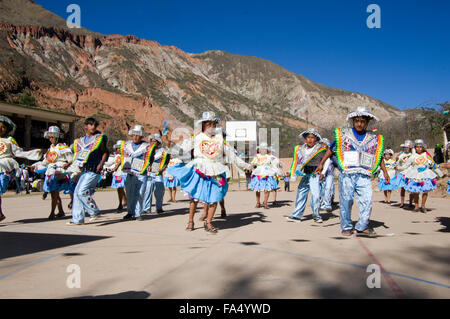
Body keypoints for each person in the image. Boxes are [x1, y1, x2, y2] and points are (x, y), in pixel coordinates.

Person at [167, 111, 251, 233]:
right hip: (199, 169)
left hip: (216, 169)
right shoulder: (197, 138)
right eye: (208, 124)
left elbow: (232, 156)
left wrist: (246, 165)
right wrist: (172, 149)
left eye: (213, 124)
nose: (211, 126)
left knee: (215, 197)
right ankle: (190, 221)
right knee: (195, 198)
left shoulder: (220, 139)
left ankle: (209, 222)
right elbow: (183, 149)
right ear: (203, 125)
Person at [316, 106, 390, 237]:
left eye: (362, 121)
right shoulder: (344, 134)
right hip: (347, 174)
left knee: (367, 200)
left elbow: (378, 156)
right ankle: (346, 226)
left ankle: (362, 226)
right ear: (352, 121)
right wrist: (321, 163)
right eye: (357, 121)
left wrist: (385, 172)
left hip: (364, 174)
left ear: (367, 122)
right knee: (346, 200)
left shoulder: (374, 138)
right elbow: (331, 150)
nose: (359, 124)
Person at [66, 117, 109, 225]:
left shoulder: (99, 139)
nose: (93, 127)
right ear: (86, 126)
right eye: (91, 125)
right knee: (76, 193)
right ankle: (78, 219)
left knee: (81, 191)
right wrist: (73, 163)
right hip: (85, 169)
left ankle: (94, 211)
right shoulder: (80, 141)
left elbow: (105, 152)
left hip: (94, 169)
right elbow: (79, 155)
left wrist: (101, 163)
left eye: (95, 125)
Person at [0, 116, 43, 222]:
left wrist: (34, 153)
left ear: (7, 129)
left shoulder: (9, 141)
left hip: (4, 167)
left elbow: (20, 152)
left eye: (3, 127)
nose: (0, 129)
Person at [287, 129, 328, 223]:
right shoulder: (299, 148)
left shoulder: (321, 148)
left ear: (316, 139)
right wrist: (293, 173)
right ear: (305, 138)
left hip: (315, 175)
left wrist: (323, 172)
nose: (310, 139)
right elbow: (295, 161)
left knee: (316, 195)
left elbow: (326, 161)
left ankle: (316, 215)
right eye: (308, 137)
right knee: (301, 194)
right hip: (305, 174)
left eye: (312, 137)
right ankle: (296, 216)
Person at [38, 126, 74, 220]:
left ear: (57, 137)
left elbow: (71, 159)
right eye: (49, 136)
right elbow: (45, 162)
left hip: (59, 172)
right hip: (50, 172)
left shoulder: (63, 147)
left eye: (52, 136)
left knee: (54, 193)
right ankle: (61, 211)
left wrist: (66, 164)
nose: (51, 138)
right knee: (54, 193)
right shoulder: (50, 148)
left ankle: (52, 213)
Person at [120, 125, 155, 221]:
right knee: (129, 193)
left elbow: (151, 156)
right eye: (134, 135)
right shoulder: (127, 145)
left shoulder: (147, 147)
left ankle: (137, 213)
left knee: (140, 192)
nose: (135, 137)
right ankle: (130, 212)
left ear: (141, 136)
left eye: (137, 135)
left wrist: (149, 164)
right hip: (130, 171)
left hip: (141, 172)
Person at [402, 139, 442, 213]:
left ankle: (423, 206)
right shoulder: (413, 156)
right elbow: (406, 165)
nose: (418, 148)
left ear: (423, 148)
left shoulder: (427, 155)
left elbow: (433, 164)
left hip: (425, 174)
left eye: (420, 147)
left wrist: (439, 172)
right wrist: (398, 167)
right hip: (415, 174)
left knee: (425, 191)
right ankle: (416, 206)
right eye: (417, 147)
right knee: (415, 191)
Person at [143, 133, 169, 215]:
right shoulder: (146, 150)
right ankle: (146, 208)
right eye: (151, 141)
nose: (153, 143)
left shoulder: (163, 151)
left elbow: (166, 162)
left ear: (159, 143)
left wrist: (163, 168)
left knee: (159, 191)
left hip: (158, 173)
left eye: (155, 141)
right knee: (147, 191)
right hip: (148, 173)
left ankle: (159, 208)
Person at [248, 142, 279, 209]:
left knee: (267, 189)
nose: (263, 150)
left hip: (267, 173)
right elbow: (253, 163)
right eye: (261, 149)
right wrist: (250, 167)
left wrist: (277, 169)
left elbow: (275, 163)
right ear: (259, 149)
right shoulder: (257, 156)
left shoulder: (269, 157)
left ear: (266, 150)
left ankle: (265, 202)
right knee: (257, 189)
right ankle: (258, 202)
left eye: (264, 149)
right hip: (258, 173)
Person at [103, 140, 127, 212]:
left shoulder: (125, 156)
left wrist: (116, 166)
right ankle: (121, 202)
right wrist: (102, 162)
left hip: (123, 174)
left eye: (120, 148)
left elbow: (119, 163)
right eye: (117, 148)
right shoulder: (116, 156)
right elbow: (110, 163)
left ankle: (124, 202)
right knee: (119, 188)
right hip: (117, 174)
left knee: (123, 188)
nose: (118, 149)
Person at [395, 140, 414, 208]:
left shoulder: (413, 155)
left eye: (407, 147)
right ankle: (402, 202)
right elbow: (397, 163)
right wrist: (397, 160)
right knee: (402, 188)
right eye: (404, 147)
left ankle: (411, 203)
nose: (405, 149)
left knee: (411, 188)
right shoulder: (401, 155)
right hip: (402, 172)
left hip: (410, 172)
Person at [319, 138, 336, 212]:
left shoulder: (332, 156)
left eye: (324, 144)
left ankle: (328, 204)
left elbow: (337, 164)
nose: (322, 146)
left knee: (328, 188)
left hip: (329, 174)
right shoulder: (319, 155)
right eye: (321, 144)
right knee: (322, 189)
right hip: (321, 175)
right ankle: (322, 204)